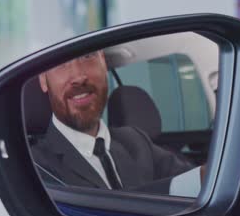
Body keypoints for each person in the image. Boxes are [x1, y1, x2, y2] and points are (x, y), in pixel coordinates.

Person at [31, 50, 198, 191]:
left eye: (88, 56)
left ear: (103, 63)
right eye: (61, 62)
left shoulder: (135, 140)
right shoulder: (34, 166)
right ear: (43, 80)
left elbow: (201, 182)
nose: (78, 77)